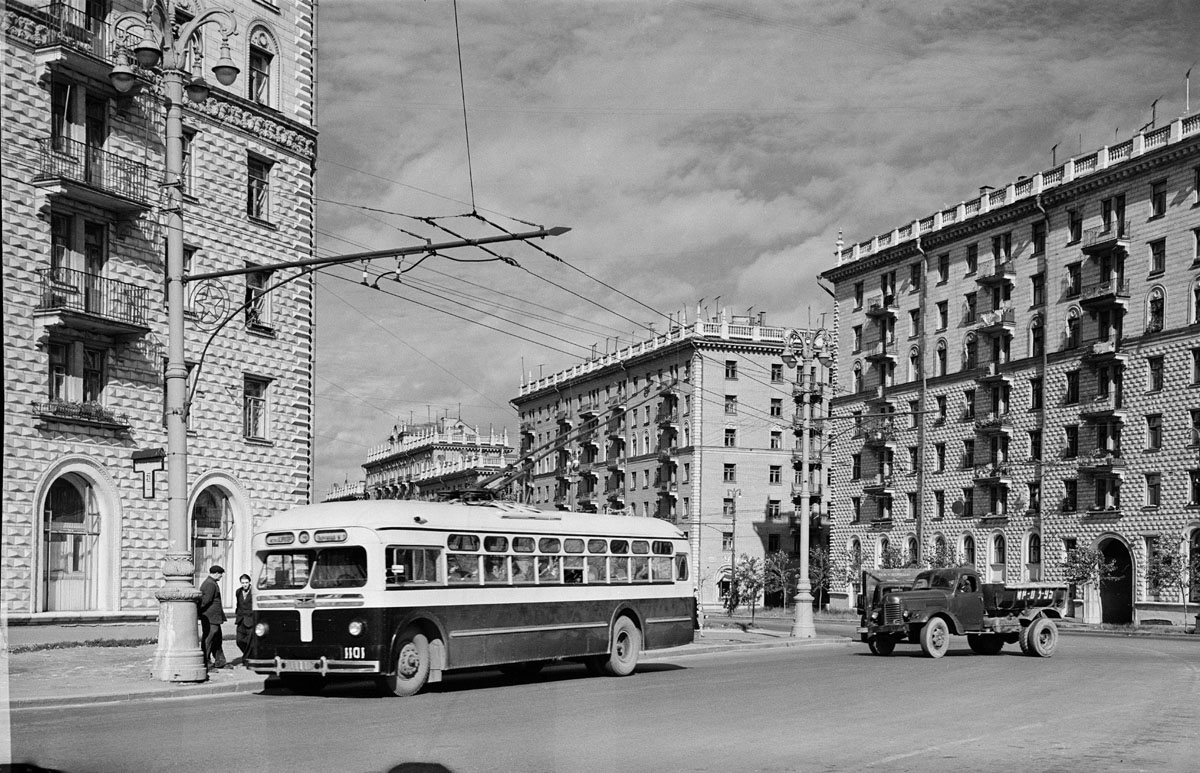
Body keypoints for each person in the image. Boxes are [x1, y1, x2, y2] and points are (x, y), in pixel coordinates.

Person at [198, 565, 229, 670]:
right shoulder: (210, 584)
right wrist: (200, 613)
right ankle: (206, 663)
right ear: (216, 574)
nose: (221, 576)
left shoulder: (211, 583)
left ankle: (220, 662)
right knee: (209, 640)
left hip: (213, 618)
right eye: (220, 574)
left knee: (217, 640)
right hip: (210, 618)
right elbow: (205, 601)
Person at [234, 573, 254, 666]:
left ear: (249, 582)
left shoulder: (254, 592)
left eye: (246, 582)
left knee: (249, 641)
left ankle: (246, 659)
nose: (244, 585)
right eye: (243, 583)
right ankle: (249, 655)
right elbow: (238, 604)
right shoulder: (238, 591)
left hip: (250, 619)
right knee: (239, 641)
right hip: (240, 619)